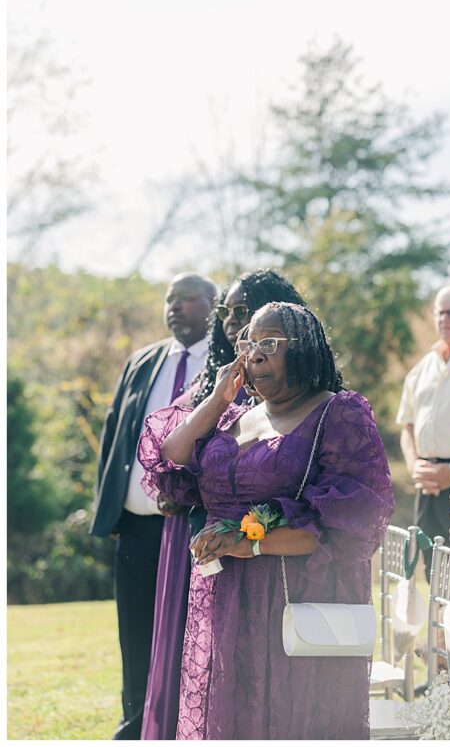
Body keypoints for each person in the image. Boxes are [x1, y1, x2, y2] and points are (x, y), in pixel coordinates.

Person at [137, 302, 393, 739]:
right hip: (223, 598)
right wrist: (218, 399)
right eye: (249, 344)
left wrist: (249, 542)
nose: (254, 355)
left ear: (305, 348)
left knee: (287, 717)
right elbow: (172, 457)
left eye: (269, 343)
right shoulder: (234, 416)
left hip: (294, 596)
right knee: (229, 715)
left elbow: (354, 519)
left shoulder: (338, 413)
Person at [140, 270, 306, 740]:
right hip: (197, 529)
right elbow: (171, 453)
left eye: (245, 312)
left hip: (268, 543)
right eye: (228, 314)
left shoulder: (315, 396)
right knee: (189, 652)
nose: (234, 323)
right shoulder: (217, 379)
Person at [91, 272, 216, 739]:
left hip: (190, 526)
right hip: (137, 525)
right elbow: (114, 438)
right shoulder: (143, 361)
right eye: (170, 299)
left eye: (187, 298)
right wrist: (110, 508)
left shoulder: (223, 365)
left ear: (212, 306)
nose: (176, 307)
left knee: (186, 633)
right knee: (135, 632)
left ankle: (183, 725)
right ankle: (133, 726)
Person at [396, 285, 450, 574]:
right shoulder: (422, 367)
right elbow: (407, 424)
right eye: (440, 312)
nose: (446, 319)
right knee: (434, 571)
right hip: (427, 483)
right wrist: (414, 465)